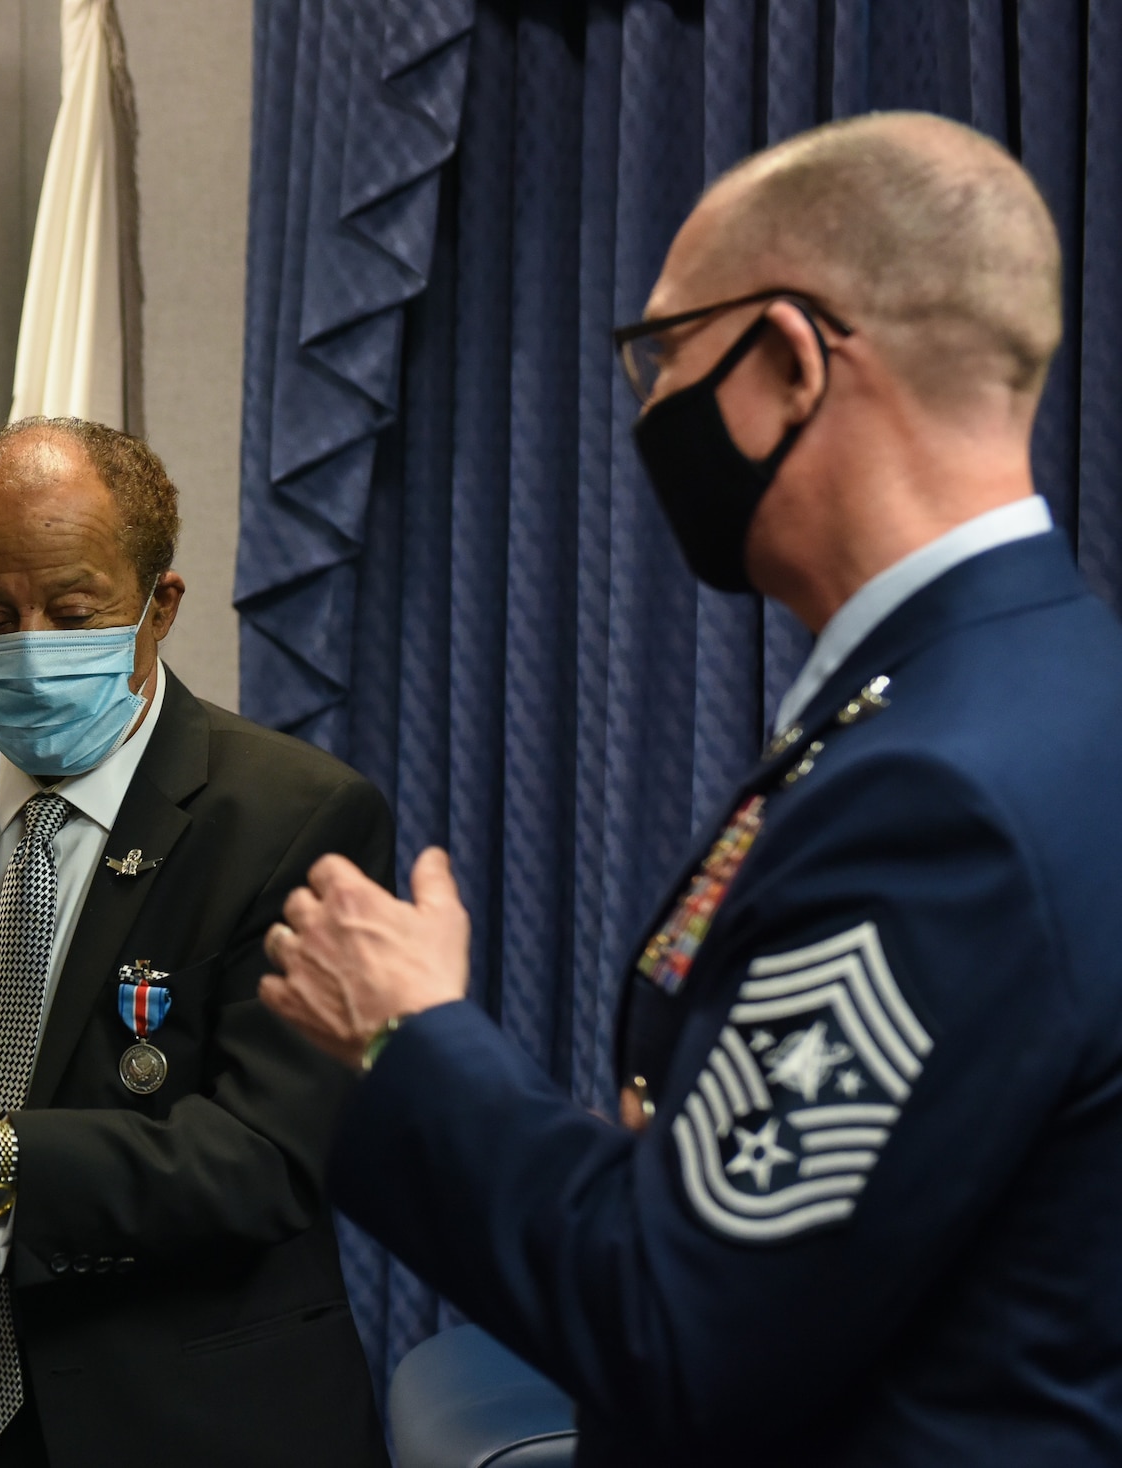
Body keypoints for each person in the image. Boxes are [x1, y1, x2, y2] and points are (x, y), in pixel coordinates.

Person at [259, 112, 1122, 1466]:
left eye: (665, 354)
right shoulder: (1055, 685)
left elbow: (675, 1325)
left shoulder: (938, 802)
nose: (651, 407)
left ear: (786, 359)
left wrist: (405, 1033)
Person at [0, 418, 390, 1468]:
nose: (31, 642)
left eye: (72, 609)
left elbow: (271, 1158)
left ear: (159, 608)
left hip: (186, 1421)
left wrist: (5, 1160)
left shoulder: (294, 817)